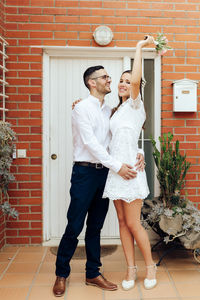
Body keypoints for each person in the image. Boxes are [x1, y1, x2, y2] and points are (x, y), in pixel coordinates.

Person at [53, 65, 145, 297]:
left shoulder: (110, 111)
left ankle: (93, 272)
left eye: (108, 76)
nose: (109, 80)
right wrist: (118, 167)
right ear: (91, 82)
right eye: (104, 77)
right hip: (84, 174)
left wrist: (139, 152)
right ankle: (61, 273)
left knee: (95, 226)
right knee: (74, 225)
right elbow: (92, 144)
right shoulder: (81, 109)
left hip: (104, 174)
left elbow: (123, 137)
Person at [103, 35, 157, 290]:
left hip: (132, 173)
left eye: (128, 81)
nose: (124, 84)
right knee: (122, 223)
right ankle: (130, 269)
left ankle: (150, 266)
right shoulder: (115, 111)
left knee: (135, 223)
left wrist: (139, 47)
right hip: (116, 171)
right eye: (121, 81)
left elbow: (137, 80)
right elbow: (115, 141)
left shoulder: (136, 106)